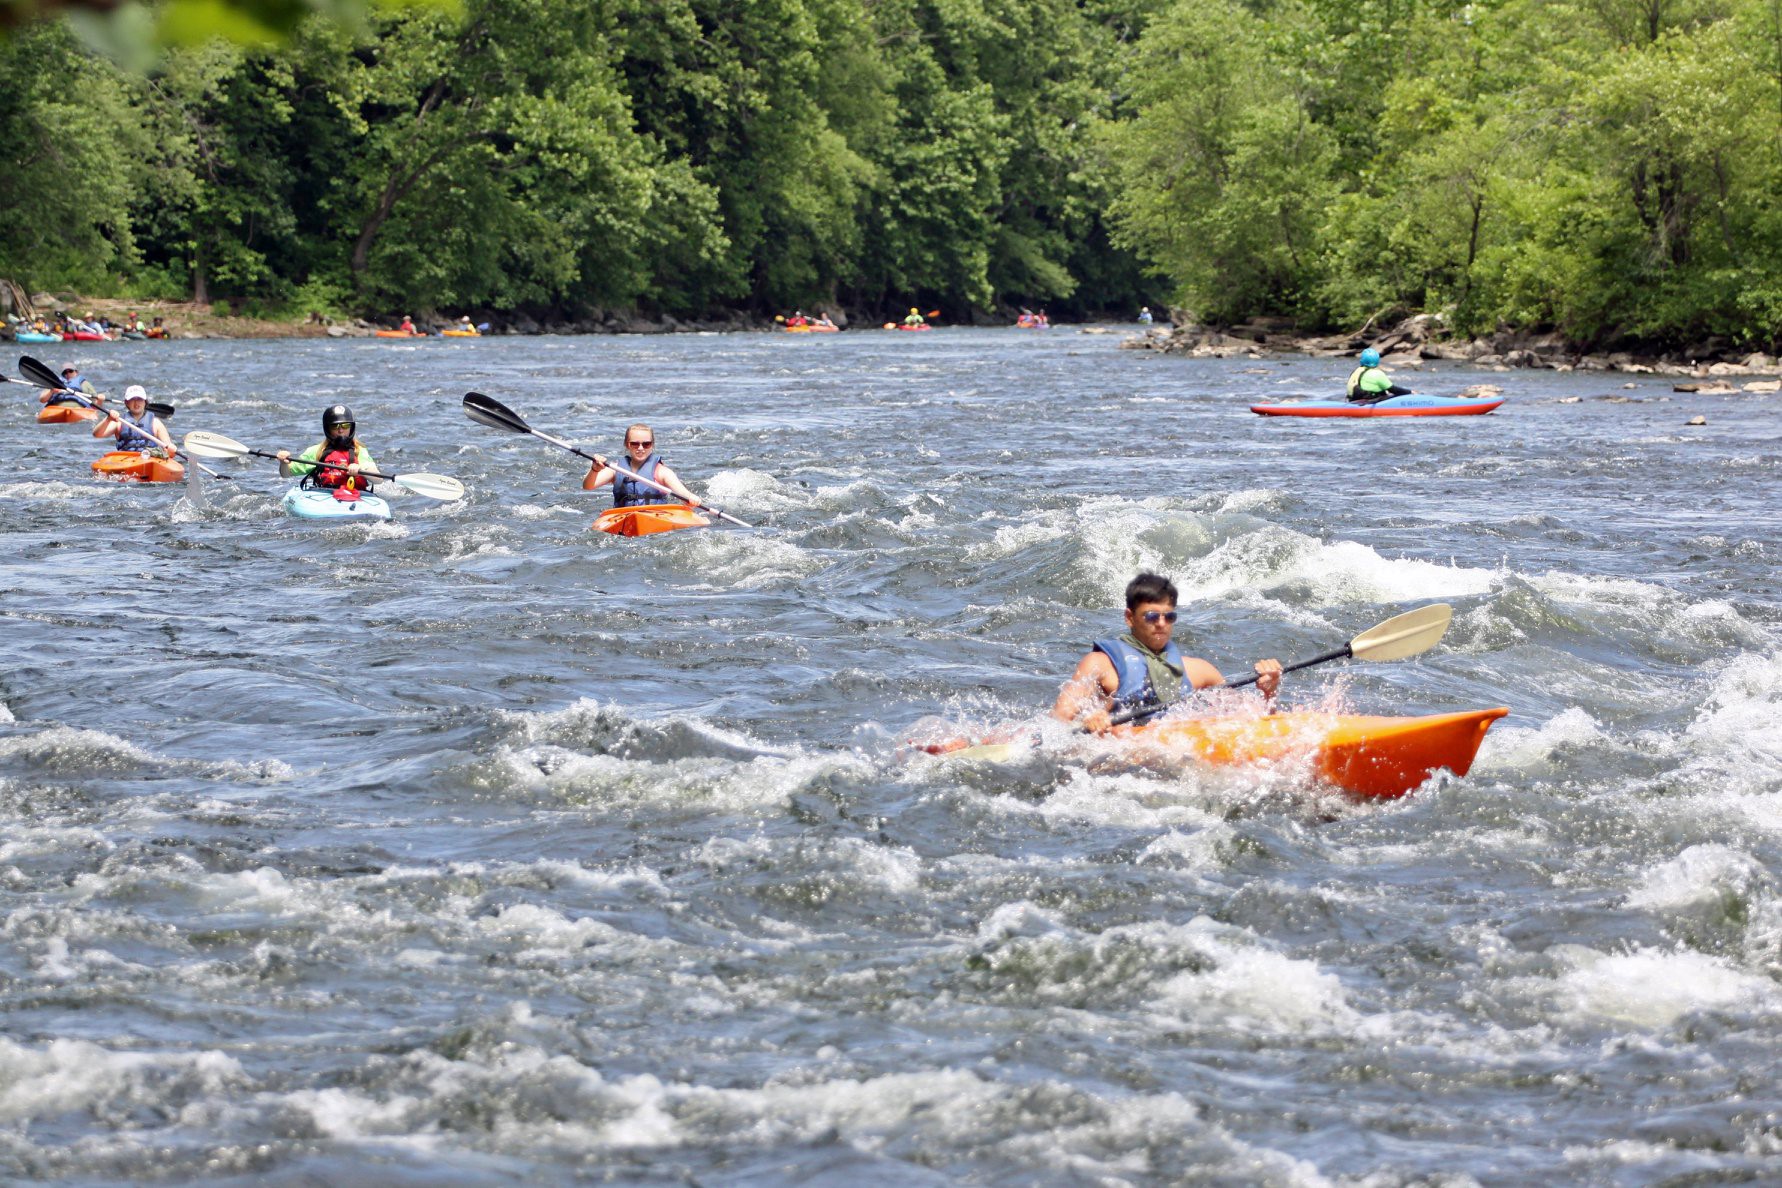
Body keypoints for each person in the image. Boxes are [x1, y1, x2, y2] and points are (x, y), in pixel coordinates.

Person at [1051, 572, 1282, 734]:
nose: (1161, 623)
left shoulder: (1199, 670)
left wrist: (1269, 693)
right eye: (1151, 616)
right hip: (1118, 756)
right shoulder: (1099, 664)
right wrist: (1090, 720)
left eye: (1169, 616)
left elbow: (1252, 722)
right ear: (1129, 618)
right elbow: (1058, 722)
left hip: (1173, 755)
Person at [582, 424, 703, 508]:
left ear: (652, 445)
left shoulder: (662, 472)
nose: (640, 448)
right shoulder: (615, 468)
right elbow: (588, 486)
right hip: (623, 516)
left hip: (655, 517)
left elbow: (684, 495)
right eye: (635, 444)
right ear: (627, 445)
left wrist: (691, 498)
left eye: (646, 444)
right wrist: (594, 470)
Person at [277, 404, 378, 502]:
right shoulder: (317, 451)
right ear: (328, 429)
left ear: (351, 427)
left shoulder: (359, 451)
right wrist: (283, 463)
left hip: (356, 495)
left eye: (345, 425)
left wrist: (360, 469)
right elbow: (286, 474)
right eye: (335, 426)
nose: (341, 430)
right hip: (325, 496)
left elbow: (378, 479)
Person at [93, 384, 175, 454]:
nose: (136, 403)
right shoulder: (119, 421)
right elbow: (97, 434)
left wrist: (171, 449)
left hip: (149, 460)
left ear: (145, 402)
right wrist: (108, 419)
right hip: (125, 461)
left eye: (139, 399)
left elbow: (168, 448)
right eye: (132, 399)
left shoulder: (156, 423)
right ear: (127, 403)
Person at [1346, 348, 1414, 403]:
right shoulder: (1377, 373)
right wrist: (1410, 392)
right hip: (1368, 402)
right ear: (1377, 361)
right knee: (1394, 395)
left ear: (1362, 360)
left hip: (1352, 401)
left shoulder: (1356, 371)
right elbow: (1393, 389)